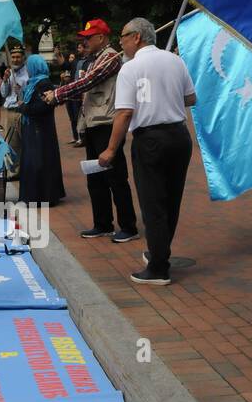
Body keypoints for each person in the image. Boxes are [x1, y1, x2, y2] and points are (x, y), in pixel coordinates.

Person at [99, 17, 196, 286]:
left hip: (151, 139)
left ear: (137, 37)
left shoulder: (130, 69)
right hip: (179, 135)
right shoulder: (175, 60)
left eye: (123, 36)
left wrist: (110, 149)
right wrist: (167, 96)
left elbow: (125, 112)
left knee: (152, 201)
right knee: (171, 199)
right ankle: (159, 251)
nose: (121, 42)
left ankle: (158, 267)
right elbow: (191, 98)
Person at [44, 18, 138, 243]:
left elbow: (89, 82)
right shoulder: (93, 59)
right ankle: (102, 223)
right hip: (93, 124)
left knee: (115, 177)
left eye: (89, 37)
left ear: (101, 37)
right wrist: (63, 94)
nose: (84, 41)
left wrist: (57, 94)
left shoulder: (110, 58)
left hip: (107, 124)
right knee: (95, 179)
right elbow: (85, 87)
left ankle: (128, 226)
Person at [19, 55, 65, 206]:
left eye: (28, 66)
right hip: (34, 128)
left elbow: (43, 106)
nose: (27, 69)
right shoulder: (33, 83)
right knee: (34, 161)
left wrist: (23, 107)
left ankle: (43, 196)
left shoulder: (43, 84)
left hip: (40, 130)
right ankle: (34, 196)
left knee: (40, 161)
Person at [0, 45, 28, 173]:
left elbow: (28, 94)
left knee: (26, 142)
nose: (15, 60)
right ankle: (15, 171)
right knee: (12, 143)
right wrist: (5, 80)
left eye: (18, 57)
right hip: (10, 112)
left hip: (23, 112)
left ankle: (28, 169)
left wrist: (20, 89)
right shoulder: (9, 73)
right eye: (13, 57)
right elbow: (4, 94)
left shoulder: (28, 73)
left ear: (23, 58)